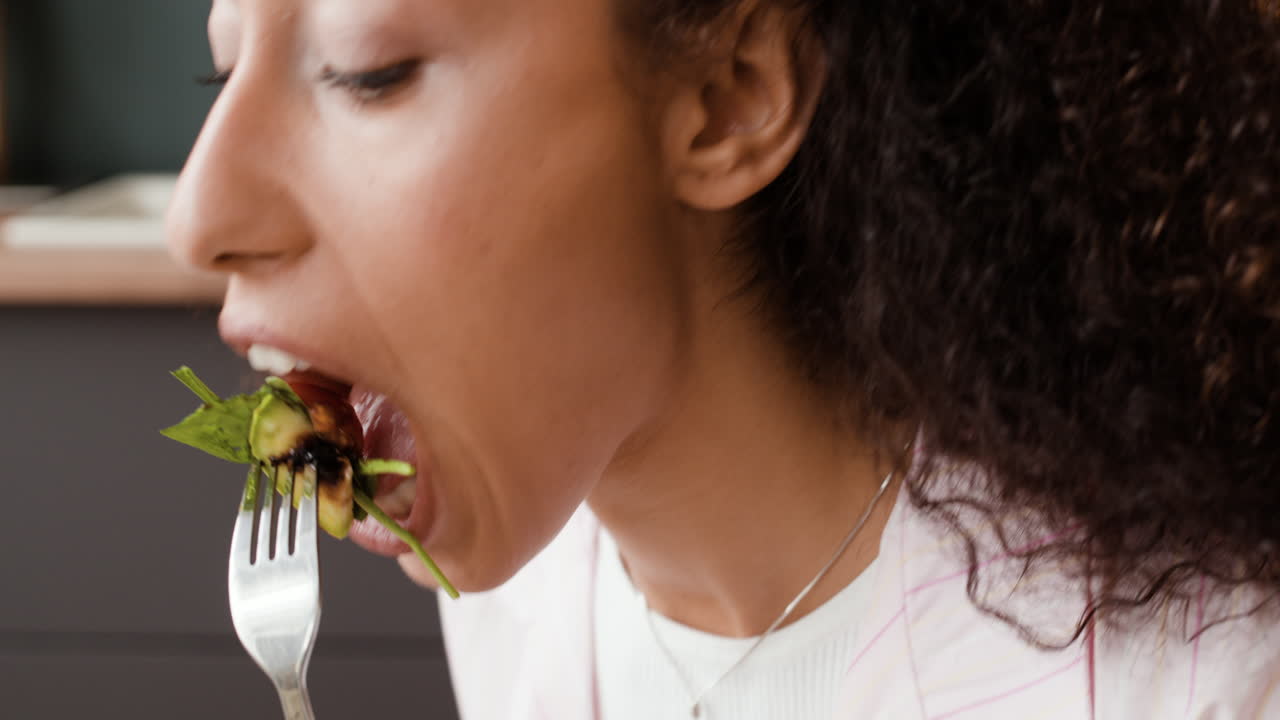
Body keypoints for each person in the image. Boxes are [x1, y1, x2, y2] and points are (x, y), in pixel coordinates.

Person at [166, 0, 1280, 717]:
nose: (198, 216)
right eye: (220, 81)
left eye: (370, 72)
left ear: (727, 98)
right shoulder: (526, 600)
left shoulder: (1210, 673)